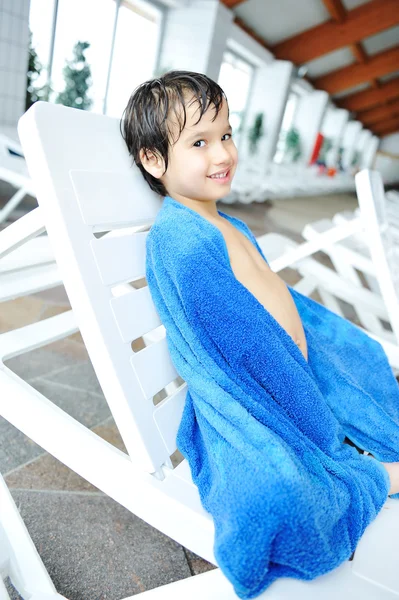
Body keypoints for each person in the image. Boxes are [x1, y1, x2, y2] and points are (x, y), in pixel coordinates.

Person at [120, 69, 399, 496]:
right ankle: (370, 474)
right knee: (291, 500)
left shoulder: (224, 223)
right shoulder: (183, 241)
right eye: (200, 143)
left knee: (365, 366)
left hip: (302, 379)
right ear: (154, 160)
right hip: (275, 400)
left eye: (226, 136)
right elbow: (236, 352)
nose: (223, 154)